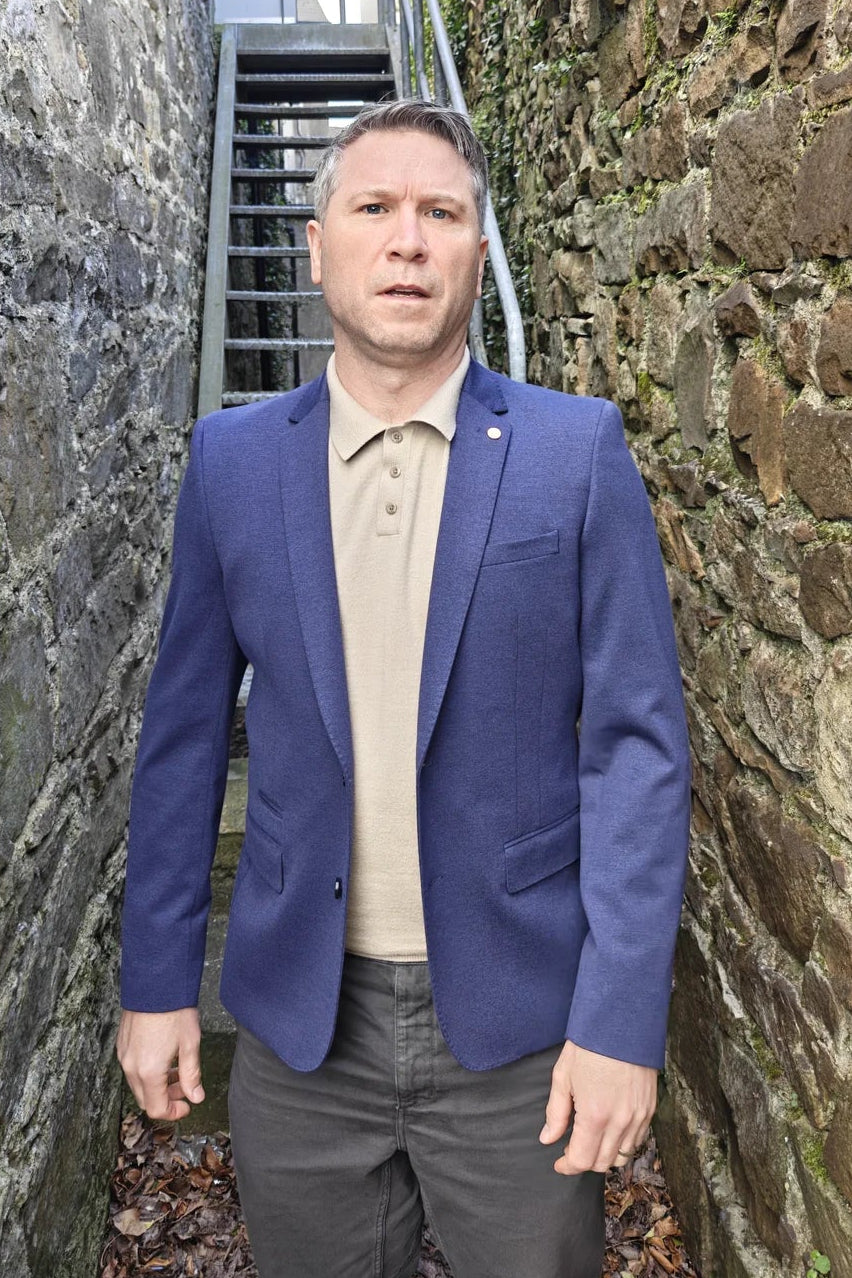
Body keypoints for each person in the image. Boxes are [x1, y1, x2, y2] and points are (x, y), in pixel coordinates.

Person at [117, 100, 691, 1278]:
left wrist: (620, 1018)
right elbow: (180, 743)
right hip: (300, 1027)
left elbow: (637, 748)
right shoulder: (230, 466)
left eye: (443, 213)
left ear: (480, 251)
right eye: (374, 208)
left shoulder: (574, 454)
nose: (409, 239)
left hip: (521, 1028)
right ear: (317, 244)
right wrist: (157, 981)